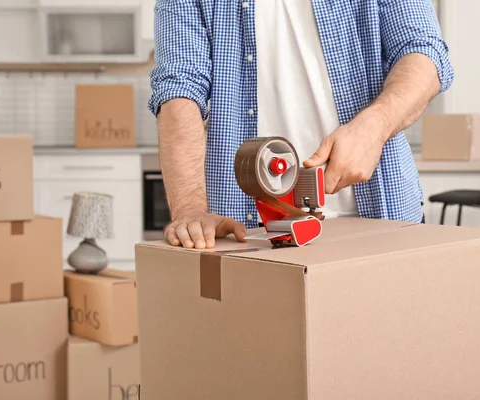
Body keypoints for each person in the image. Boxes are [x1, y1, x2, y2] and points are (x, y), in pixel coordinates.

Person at [148, 0, 454, 249]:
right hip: (250, 234)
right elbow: (179, 89)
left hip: (380, 215)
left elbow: (423, 52)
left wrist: (373, 128)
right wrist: (190, 209)